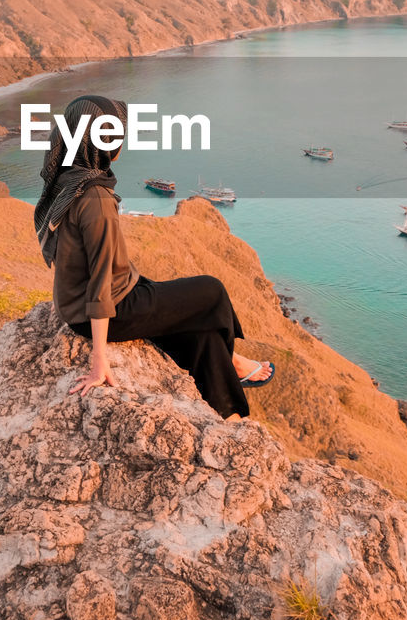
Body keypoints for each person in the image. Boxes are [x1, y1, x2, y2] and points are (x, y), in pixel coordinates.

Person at [34, 94, 275, 422]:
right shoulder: (95, 199)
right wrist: (99, 360)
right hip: (112, 307)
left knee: (200, 330)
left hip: (81, 301)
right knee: (212, 291)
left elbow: (77, 257)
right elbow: (101, 282)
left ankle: (227, 412)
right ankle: (233, 360)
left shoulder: (68, 177)